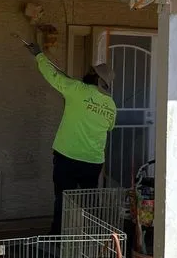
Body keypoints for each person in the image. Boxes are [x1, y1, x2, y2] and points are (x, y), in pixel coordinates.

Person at [23, 41, 117, 236]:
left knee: (63, 200)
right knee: (90, 202)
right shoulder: (111, 105)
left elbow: (53, 76)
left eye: (92, 72)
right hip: (93, 162)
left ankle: (57, 240)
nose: (88, 73)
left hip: (67, 157)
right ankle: (91, 239)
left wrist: (39, 55)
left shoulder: (77, 89)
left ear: (97, 79)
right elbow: (109, 127)